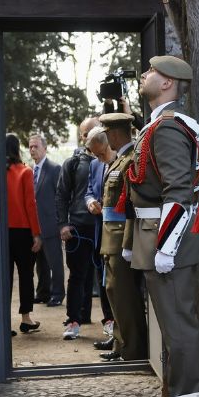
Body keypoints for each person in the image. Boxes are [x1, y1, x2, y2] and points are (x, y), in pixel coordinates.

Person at [124, 55, 199, 395]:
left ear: (168, 83)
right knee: (172, 330)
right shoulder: (159, 124)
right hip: (155, 235)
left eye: (152, 71)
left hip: (165, 239)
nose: (145, 74)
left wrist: (166, 246)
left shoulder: (169, 126)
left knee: (179, 329)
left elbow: (179, 191)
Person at [96, 113, 147, 362]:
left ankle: (133, 349)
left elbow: (130, 207)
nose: (107, 139)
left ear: (115, 134)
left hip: (120, 239)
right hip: (110, 238)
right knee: (114, 291)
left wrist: (127, 243)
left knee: (124, 294)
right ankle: (121, 343)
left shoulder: (129, 161)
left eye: (108, 134)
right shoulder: (119, 160)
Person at [56, 117, 101, 341]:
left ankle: (110, 321)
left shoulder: (110, 159)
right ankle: (74, 320)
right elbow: (62, 195)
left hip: (104, 226)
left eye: (95, 132)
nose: (90, 137)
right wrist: (63, 224)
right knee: (77, 276)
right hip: (79, 227)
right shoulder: (73, 163)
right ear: (82, 137)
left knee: (105, 276)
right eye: (86, 133)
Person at [5, 133, 42, 334]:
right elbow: (30, 204)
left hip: (3, 232)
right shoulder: (25, 171)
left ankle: (3, 320)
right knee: (26, 274)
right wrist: (36, 233)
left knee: (4, 277)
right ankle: (26, 318)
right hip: (23, 231)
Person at [84, 128, 117, 350]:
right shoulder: (95, 165)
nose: (98, 158)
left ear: (108, 145)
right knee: (103, 285)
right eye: (95, 155)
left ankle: (121, 337)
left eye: (101, 154)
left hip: (117, 237)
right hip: (99, 236)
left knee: (117, 288)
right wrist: (89, 203)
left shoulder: (121, 160)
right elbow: (88, 191)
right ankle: (111, 330)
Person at [29, 133, 64, 307]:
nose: (32, 149)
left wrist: (61, 222)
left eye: (36, 146)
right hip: (35, 226)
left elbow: (61, 197)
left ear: (45, 148)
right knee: (40, 263)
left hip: (51, 223)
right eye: (30, 147)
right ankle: (43, 292)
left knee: (54, 261)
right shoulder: (30, 170)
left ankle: (57, 294)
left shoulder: (54, 169)